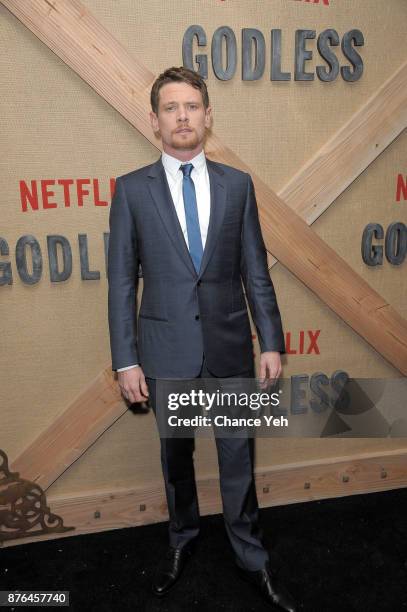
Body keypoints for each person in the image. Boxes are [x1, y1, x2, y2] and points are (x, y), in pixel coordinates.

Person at [107, 66, 298, 611]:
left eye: (192, 106)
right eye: (171, 108)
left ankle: (251, 557)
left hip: (231, 346)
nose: (183, 116)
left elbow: (255, 272)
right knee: (176, 461)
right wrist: (126, 360)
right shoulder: (130, 191)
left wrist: (271, 342)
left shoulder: (238, 186)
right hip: (166, 353)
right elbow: (123, 283)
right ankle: (182, 541)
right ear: (154, 121)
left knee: (239, 458)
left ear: (208, 117)